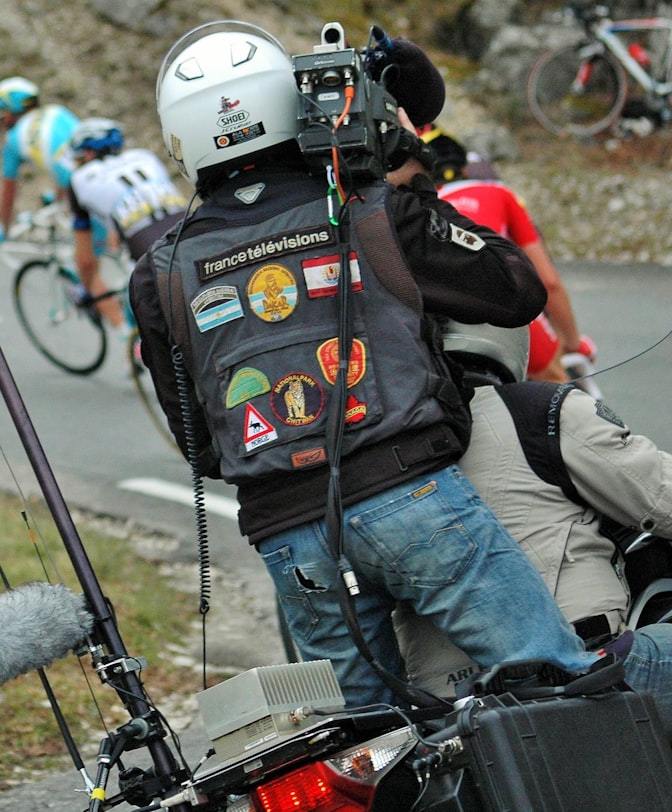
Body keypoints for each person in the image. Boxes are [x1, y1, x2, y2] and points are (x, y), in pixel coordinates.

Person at [129, 20, 598, 709]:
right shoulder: (374, 211)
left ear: (181, 138)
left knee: (368, 749)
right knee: (555, 691)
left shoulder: (159, 273)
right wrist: (402, 179)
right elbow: (516, 289)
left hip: (292, 540)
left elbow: (198, 445)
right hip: (416, 499)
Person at [393, 320, 672, 736]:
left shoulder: (367, 458)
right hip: (583, 675)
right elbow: (661, 497)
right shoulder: (536, 409)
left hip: (450, 712)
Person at [420, 126, 595, 384]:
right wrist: (572, 342)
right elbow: (549, 282)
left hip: (443, 321)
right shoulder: (498, 192)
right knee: (556, 392)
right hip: (502, 301)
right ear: (465, 169)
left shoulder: (421, 208)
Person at [67, 117, 188, 333]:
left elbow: (85, 261)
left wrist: (87, 289)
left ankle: (135, 348)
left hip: (152, 260)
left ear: (87, 155)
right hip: (194, 236)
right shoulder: (145, 157)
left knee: (155, 340)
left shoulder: (78, 179)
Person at [0, 76, 79, 246]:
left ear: (9, 112)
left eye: (0, 113)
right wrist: (59, 198)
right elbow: (67, 158)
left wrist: (3, 229)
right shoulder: (57, 111)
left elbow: (9, 190)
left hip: (80, 187)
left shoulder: (12, 139)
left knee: (87, 263)